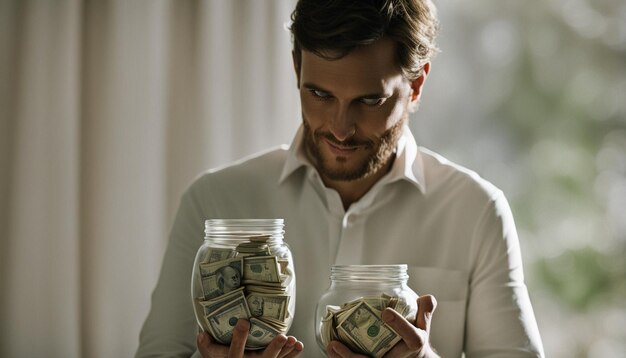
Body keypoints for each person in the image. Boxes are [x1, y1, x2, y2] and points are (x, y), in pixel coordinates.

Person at [136, 0, 545, 357]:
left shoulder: (476, 211)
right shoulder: (213, 202)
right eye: (320, 95)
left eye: (370, 101)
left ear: (417, 84)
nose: (340, 128)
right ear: (297, 69)